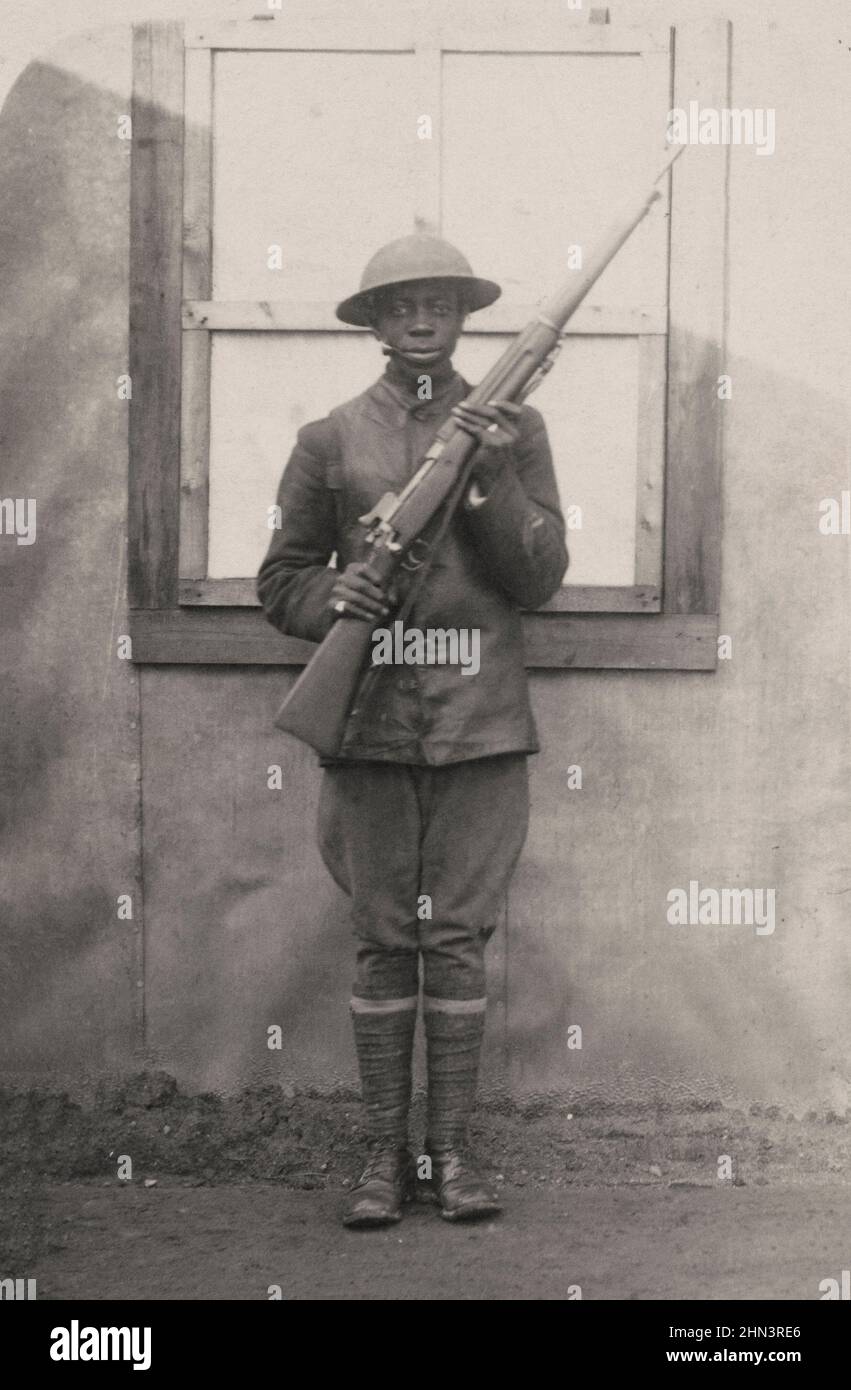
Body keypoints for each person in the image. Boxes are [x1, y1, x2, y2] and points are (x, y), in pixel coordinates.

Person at [257, 233, 568, 1227]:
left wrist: (489, 474)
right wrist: (328, 596)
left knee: (459, 944)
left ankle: (454, 1155)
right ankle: (380, 1158)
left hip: (478, 724)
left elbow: (538, 575)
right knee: (384, 942)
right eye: (399, 306)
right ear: (374, 325)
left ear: (465, 315)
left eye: (438, 302)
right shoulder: (327, 438)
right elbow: (282, 580)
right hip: (370, 721)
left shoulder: (516, 430)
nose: (421, 320)